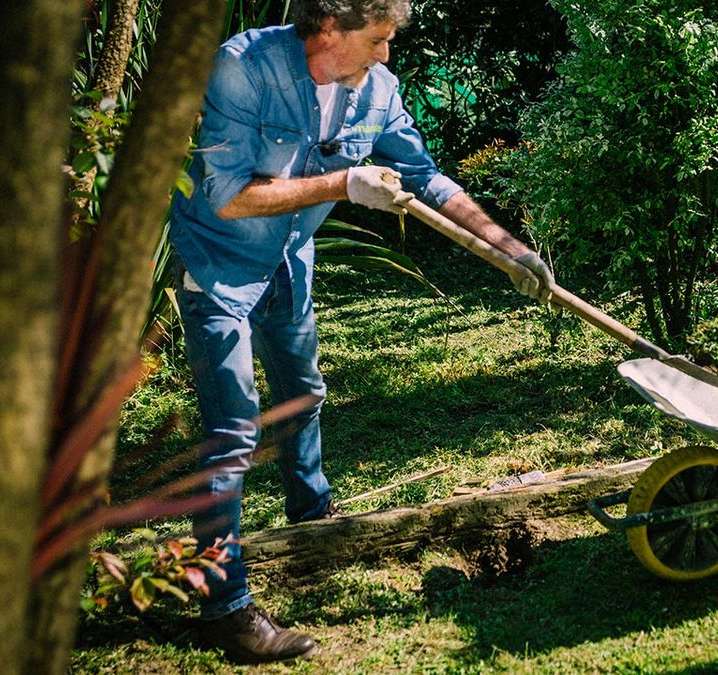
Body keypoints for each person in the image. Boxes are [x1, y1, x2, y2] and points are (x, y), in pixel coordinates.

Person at [168, 0, 553, 664]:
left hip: (290, 258)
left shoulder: (377, 89)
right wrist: (345, 182)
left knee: (303, 392)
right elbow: (227, 197)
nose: (385, 56)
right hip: (219, 263)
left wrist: (505, 245)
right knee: (233, 433)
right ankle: (224, 611)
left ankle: (312, 522)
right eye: (376, 40)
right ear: (327, 32)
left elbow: (424, 175)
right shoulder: (243, 68)